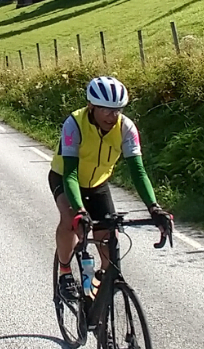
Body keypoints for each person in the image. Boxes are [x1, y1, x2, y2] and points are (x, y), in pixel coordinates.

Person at [50, 76, 170, 299]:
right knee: (70, 221)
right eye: (105, 110)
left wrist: (154, 208)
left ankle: (98, 291)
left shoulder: (126, 128)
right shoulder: (74, 124)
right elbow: (71, 173)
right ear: (91, 106)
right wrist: (79, 211)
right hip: (65, 179)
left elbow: (138, 171)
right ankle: (65, 272)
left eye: (117, 110)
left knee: (109, 240)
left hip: (97, 184)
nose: (112, 116)